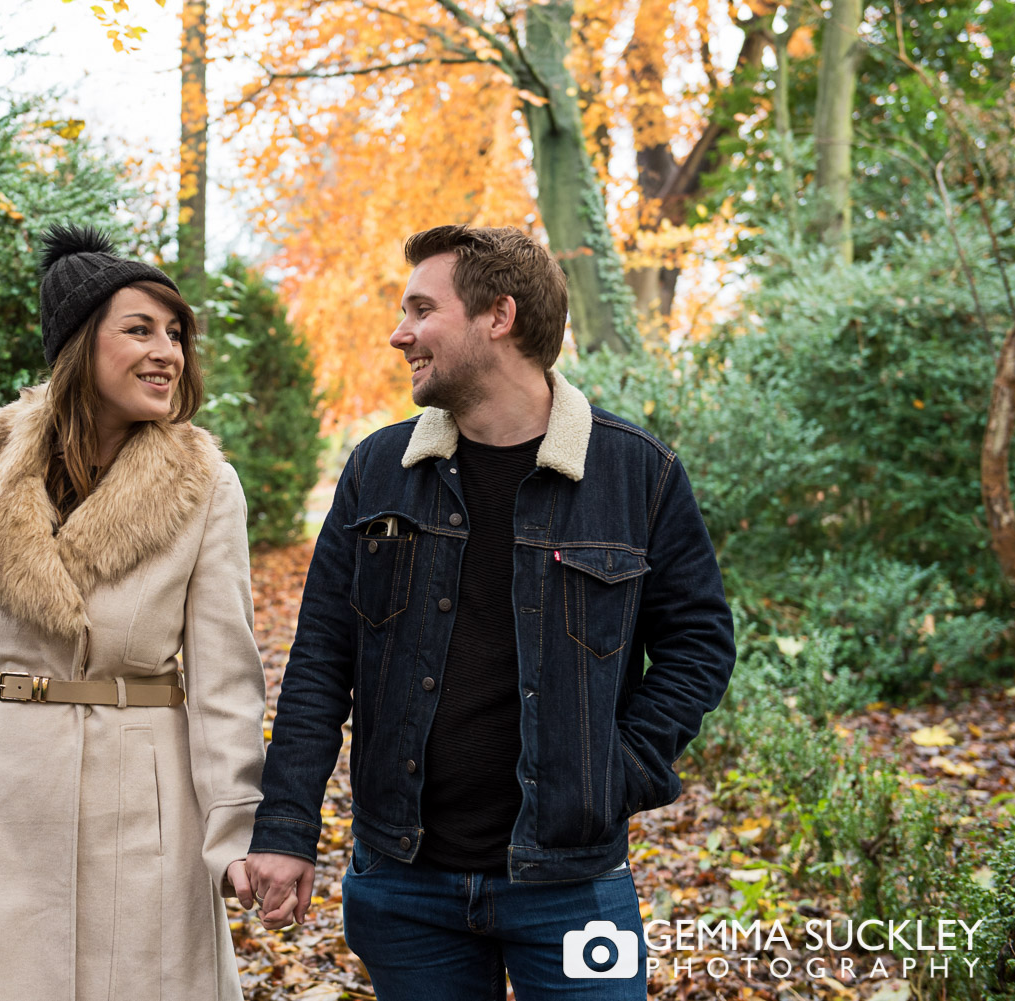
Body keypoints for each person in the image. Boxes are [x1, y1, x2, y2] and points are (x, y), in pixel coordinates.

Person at [246, 224, 737, 999]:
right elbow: (319, 662)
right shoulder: (379, 468)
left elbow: (700, 644)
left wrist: (620, 770)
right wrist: (285, 828)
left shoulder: (637, 473)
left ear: (498, 317)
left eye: (420, 309)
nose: (397, 332)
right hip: (403, 885)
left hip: (574, 884)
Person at [0, 224, 267, 1000]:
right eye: (140, 329)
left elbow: (228, 682)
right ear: (77, 344)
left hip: (139, 816)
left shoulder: (206, 485)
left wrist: (235, 837)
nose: (168, 350)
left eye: (176, 334)